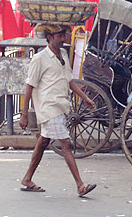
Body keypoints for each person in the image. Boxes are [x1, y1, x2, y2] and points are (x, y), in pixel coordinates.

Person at [19, 23, 96, 197]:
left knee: (43, 142)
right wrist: (24, 114)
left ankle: (27, 178)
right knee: (66, 144)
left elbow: (69, 80)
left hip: (61, 106)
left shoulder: (62, 55)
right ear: (49, 37)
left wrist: (85, 98)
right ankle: (80, 185)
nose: (63, 38)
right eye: (59, 35)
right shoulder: (39, 59)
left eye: (64, 34)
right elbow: (30, 86)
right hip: (48, 107)